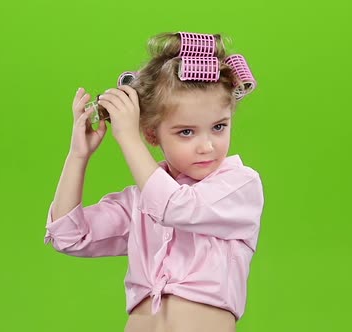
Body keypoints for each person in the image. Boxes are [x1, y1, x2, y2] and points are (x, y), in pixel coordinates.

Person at [44, 31, 265, 332]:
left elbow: (177, 208)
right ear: (151, 134)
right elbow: (68, 236)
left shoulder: (240, 186)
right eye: (186, 132)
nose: (207, 146)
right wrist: (77, 156)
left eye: (218, 126)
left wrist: (127, 136)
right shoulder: (141, 201)